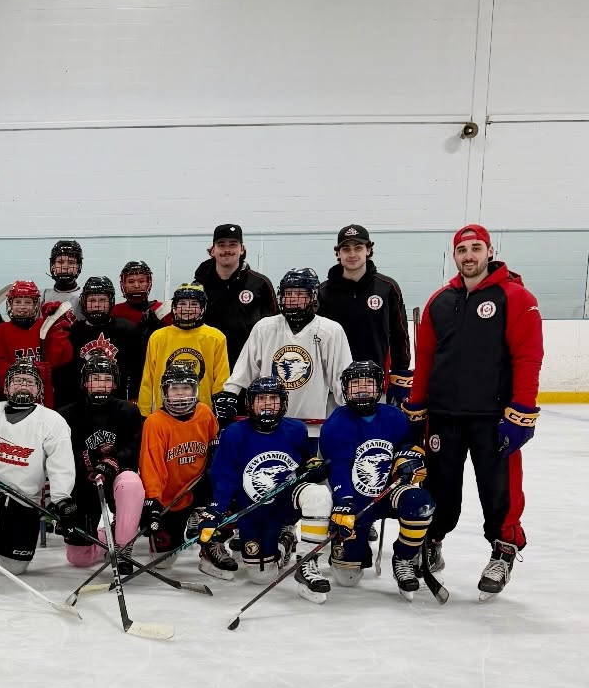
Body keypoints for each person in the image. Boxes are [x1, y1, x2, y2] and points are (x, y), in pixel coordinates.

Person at [406, 225, 543, 599]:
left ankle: (503, 550)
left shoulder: (516, 297)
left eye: (476, 248)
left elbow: (528, 357)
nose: (469, 255)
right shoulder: (440, 301)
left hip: (493, 418)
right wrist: (416, 407)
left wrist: (522, 411)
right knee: (439, 488)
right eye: (462, 249)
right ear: (454, 256)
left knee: (499, 491)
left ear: (489, 251)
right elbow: (427, 359)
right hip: (444, 415)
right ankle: (430, 541)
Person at [196, 377, 331, 594]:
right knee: (261, 577)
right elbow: (224, 476)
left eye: (273, 398)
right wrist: (214, 512)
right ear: (250, 403)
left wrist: (313, 470)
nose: (267, 403)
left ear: (283, 402)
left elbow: (304, 466)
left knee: (318, 494)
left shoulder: (296, 429)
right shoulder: (234, 433)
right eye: (261, 398)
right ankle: (282, 542)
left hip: (284, 502)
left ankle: (306, 560)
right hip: (252, 507)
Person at [318, 362, 435, 600]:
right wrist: (345, 502)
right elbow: (338, 467)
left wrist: (409, 460)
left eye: (369, 384)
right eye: (356, 384)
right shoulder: (336, 423)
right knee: (346, 579)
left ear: (379, 387)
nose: (362, 390)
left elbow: (407, 447)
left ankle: (403, 557)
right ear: (345, 388)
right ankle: (357, 547)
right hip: (356, 501)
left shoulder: (394, 416)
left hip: (389, 492)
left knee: (420, 503)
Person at [0, 361, 76, 575]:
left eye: (29, 382)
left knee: (14, 567)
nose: (22, 385)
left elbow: (61, 464)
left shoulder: (52, 421)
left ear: (39, 389)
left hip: (21, 497)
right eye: (17, 381)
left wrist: (61, 498)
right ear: (6, 387)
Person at [218, 268, 354, 438]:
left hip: (311, 429)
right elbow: (244, 370)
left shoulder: (330, 330)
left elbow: (340, 378)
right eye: (288, 294)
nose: (293, 300)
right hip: (267, 426)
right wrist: (230, 393)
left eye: (300, 294)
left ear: (313, 296)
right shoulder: (264, 328)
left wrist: (351, 411)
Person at [55, 353, 145, 573]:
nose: (101, 385)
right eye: (95, 379)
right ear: (85, 382)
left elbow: (133, 449)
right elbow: (65, 456)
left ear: (114, 383)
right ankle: (108, 537)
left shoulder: (128, 411)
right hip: (84, 485)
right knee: (79, 558)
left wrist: (111, 463)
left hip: (117, 481)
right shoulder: (67, 414)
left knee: (131, 482)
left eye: (106, 379)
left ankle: (123, 548)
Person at [316, 225, 413, 405]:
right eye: (346, 249)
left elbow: (400, 336)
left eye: (358, 247)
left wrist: (400, 376)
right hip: (334, 388)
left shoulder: (387, 288)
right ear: (338, 253)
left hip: (376, 385)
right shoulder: (323, 292)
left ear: (368, 250)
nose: (352, 254)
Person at [138, 365, 218, 566]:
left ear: (195, 390)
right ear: (165, 392)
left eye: (186, 388)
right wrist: (153, 502)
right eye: (174, 388)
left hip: (197, 488)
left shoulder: (205, 413)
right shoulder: (155, 422)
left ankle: (209, 535)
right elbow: (151, 465)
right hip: (170, 499)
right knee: (163, 563)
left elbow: (213, 442)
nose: (181, 394)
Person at [54, 275, 148, 406]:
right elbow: (66, 375)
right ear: (84, 302)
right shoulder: (74, 332)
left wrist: (133, 397)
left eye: (102, 300)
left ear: (111, 302)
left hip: (117, 404)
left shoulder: (128, 330)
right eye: (92, 300)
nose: (97, 305)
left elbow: (138, 370)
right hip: (82, 405)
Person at [138, 283, 229, 417]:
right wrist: (144, 413)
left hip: (202, 415)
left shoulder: (216, 337)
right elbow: (148, 379)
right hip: (163, 414)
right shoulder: (158, 337)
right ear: (174, 307)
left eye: (194, 304)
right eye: (182, 304)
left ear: (202, 308)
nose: (187, 309)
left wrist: (219, 413)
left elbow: (221, 380)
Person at [192, 223, 277, 366]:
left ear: (242, 249)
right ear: (212, 250)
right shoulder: (198, 287)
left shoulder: (260, 284)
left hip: (249, 365)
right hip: (206, 363)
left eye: (233, 244)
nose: (227, 250)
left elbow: (275, 327)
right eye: (221, 245)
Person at [0, 280, 73, 408]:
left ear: (35, 305)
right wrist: (33, 373)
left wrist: (57, 328)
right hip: (12, 400)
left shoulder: (45, 326)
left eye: (28, 302)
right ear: (10, 304)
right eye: (17, 302)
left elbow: (63, 357)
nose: (22, 307)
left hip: (44, 399)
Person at [112, 260, 167, 331]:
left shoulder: (161, 309)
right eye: (131, 282)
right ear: (124, 284)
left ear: (148, 283)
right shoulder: (115, 311)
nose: (136, 285)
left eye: (141, 281)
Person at [42, 240, 84, 316]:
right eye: (60, 262)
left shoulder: (85, 296)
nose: (65, 267)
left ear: (78, 266)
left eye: (71, 262)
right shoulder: (43, 296)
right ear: (53, 265)